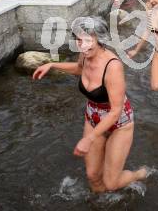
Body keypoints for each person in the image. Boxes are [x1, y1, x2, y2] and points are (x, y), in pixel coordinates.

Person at [33, 16, 147, 192]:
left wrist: (88, 138)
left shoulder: (113, 66)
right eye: (79, 40)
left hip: (118, 123)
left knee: (111, 183)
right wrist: (52, 65)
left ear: (100, 39)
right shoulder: (85, 54)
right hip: (93, 117)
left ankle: (139, 174)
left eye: (88, 40)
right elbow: (80, 69)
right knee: (93, 176)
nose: (82, 45)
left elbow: (116, 111)